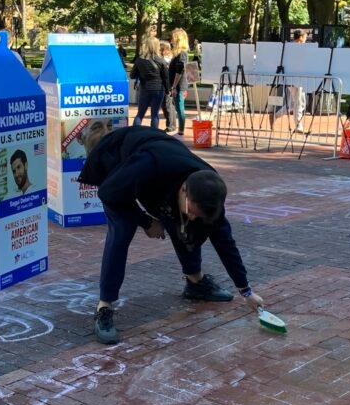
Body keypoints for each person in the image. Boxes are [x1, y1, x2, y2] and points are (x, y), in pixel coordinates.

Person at [77, 126, 265, 344]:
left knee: (188, 224)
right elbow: (108, 193)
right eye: (192, 210)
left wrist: (246, 291)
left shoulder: (209, 193)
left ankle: (196, 283)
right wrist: (147, 222)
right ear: (184, 190)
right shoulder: (146, 166)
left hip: (159, 178)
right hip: (118, 168)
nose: (193, 217)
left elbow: (225, 242)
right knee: (122, 231)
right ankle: (105, 306)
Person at [130, 36, 169, 129]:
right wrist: (168, 90)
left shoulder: (139, 60)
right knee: (155, 114)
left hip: (145, 89)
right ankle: (153, 135)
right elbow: (166, 77)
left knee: (140, 114)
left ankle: (134, 133)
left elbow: (132, 75)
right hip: (158, 89)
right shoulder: (161, 60)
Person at [167, 28, 190, 137]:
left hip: (179, 85)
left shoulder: (182, 54)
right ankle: (180, 130)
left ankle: (181, 131)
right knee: (178, 107)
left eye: (172, 38)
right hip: (177, 85)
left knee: (180, 108)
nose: (171, 40)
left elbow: (180, 70)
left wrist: (174, 86)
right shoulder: (179, 54)